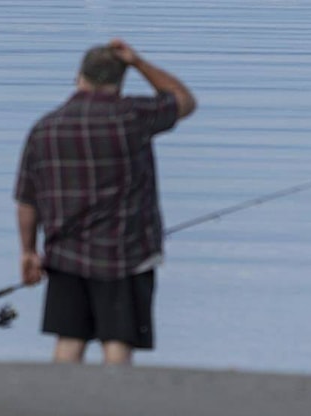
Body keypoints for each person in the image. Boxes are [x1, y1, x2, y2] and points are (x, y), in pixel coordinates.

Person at [14, 39, 196, 365]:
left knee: (69, 340)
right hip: (125, 253)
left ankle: (62, 402)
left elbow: (27, 199)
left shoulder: (45, 128)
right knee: (118, 340)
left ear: (80, 76)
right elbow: (184, 101)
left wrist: (28, 251)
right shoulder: (133, 117)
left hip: (65, 254)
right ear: (120, 81)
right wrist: (139, 63)